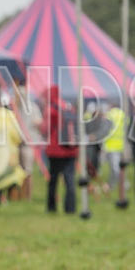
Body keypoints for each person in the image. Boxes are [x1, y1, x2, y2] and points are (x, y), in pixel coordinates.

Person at [43, 85, 78, 214]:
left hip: (55, 150)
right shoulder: (68, 107)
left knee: (53, 180)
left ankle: (51, 207)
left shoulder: (51, 109)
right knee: (70, 179)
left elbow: (45, 129)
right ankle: (70, 208)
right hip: (71, 149)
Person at [102, 104, 126, 194]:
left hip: (111, 145)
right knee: (120, 167)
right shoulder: (123, 114)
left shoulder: (110, 115)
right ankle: (122, 184)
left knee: (114, 168)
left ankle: (114, 185)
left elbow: (105, 130)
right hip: (121, 145)